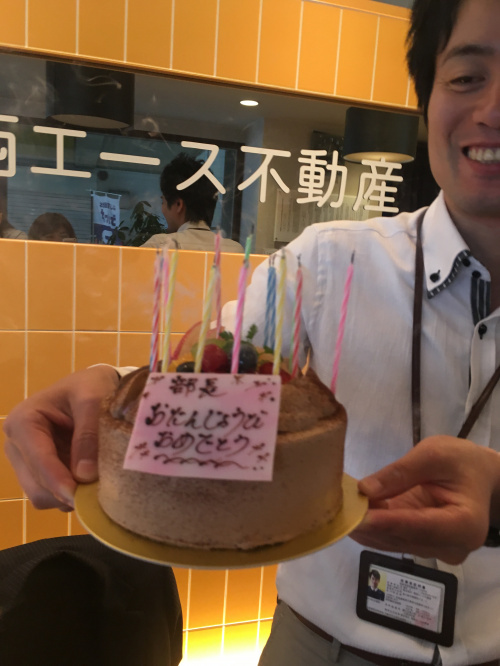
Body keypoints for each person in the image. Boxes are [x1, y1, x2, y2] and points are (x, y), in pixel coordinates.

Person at [2, 0, 500, 664]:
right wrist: (114, 395)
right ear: (428, 96)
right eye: (468, 76)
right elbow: (219, 373)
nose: (494, 109)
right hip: (317, 646)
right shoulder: (328, 263)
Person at [141, 152, 244, 252]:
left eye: (162, 202)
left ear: (178, 204)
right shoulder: (235, 250)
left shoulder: (160, 245)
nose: (162, 209)